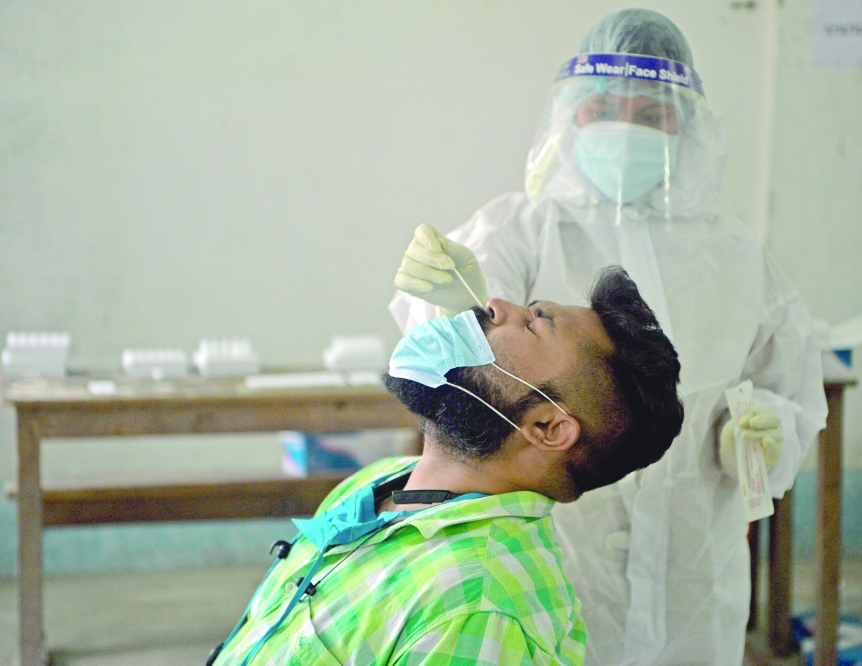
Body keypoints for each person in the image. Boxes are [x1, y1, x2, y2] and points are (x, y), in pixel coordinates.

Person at [390, 8, 828, 666]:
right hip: (549, 553)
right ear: (572, 116)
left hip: (695, 569)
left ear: (684, 126)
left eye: (650, 114)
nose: (626, 127)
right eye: (604, 109)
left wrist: (770, 431)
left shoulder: (735, 255)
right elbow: (449, 362)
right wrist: (447, 304)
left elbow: (791, 386)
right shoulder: (521, 228)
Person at [210, 266, 684, 666]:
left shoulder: (480, 610)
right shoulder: (382, 481)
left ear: (546, 427)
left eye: (534, 324)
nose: (495, 305)